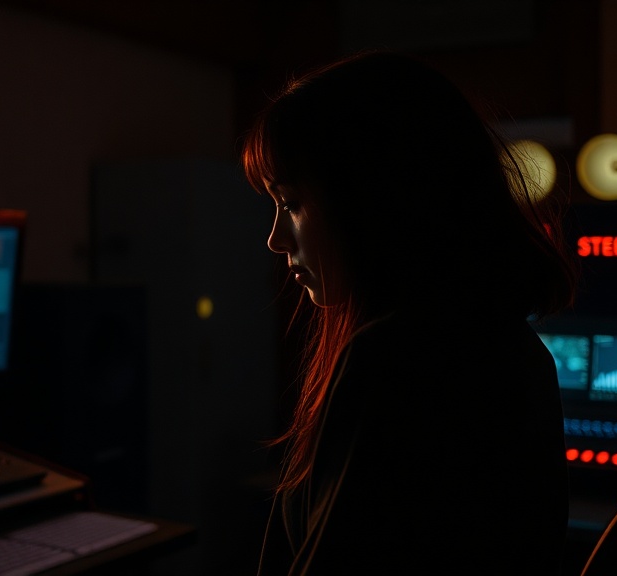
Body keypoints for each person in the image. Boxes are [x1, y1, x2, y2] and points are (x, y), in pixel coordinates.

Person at [241, 50, 579, 576]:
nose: (275, 238)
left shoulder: (397, 361)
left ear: (371, 198)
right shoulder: (508, 347)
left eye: (292, 202)